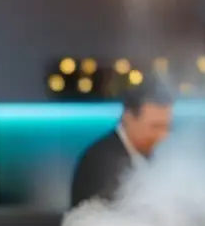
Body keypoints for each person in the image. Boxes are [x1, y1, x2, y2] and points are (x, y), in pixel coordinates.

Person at [70, 76, 173, 207]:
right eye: (155, 127)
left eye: (167, 127)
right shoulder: (100, 161)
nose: (163, 136)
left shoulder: (154, 156)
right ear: (128, 118)